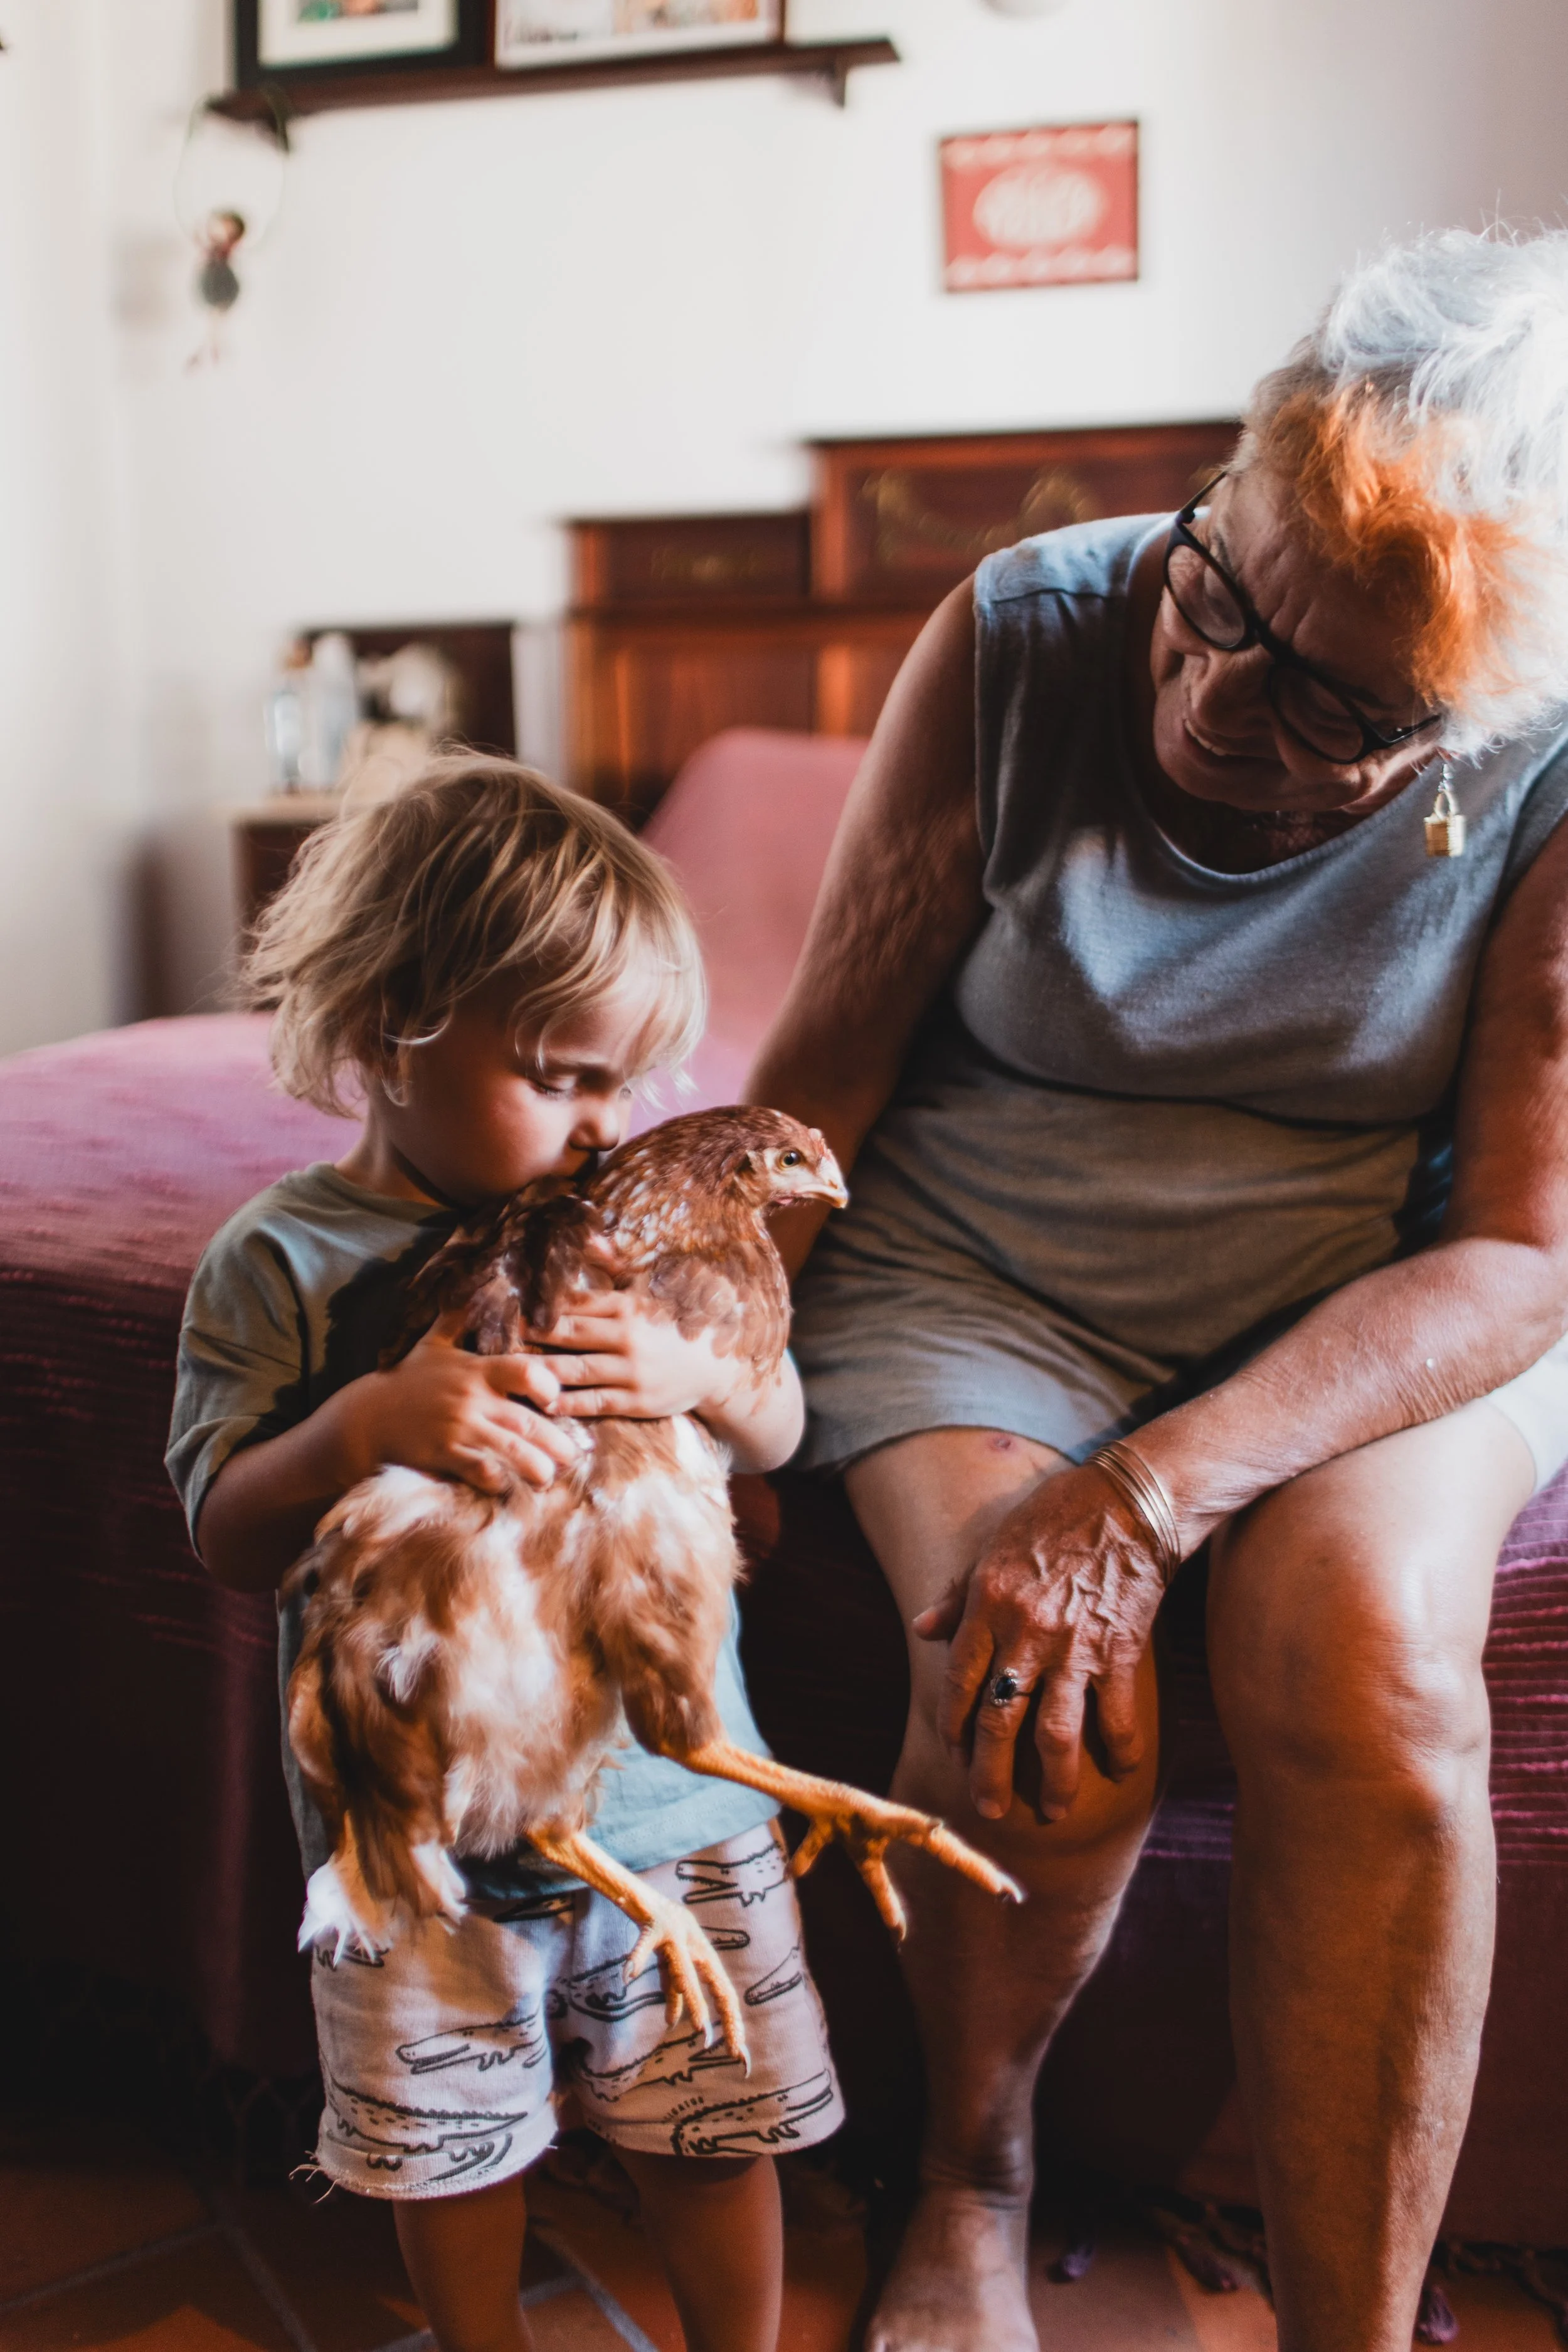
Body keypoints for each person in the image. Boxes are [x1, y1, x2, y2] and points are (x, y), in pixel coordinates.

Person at [750, 226, 1568, 2352]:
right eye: (1220, 594)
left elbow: (1517, 1247)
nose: (1216, 699)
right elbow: (824, 1073)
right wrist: (696, 1380)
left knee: (1374, 1669)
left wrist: (1155, 1490)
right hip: (984, 1265)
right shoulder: (1027, 625)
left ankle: (1353, 2329)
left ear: (1479, 715)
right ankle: (970, 2180)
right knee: (1043, 1711)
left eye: (1338, 705)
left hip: (1379, 1296)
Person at [167, 758, 844, 2352]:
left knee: (712, 2116)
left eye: (633, 1082)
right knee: (449, 2142)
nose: (606, 1127)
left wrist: (708, 1379)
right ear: (387, 1029)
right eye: (559, 1076)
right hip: (422, 1830)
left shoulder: (639, 1229)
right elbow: (223, 1531)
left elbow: (784, 1433)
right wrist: (360, 1430)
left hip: (680, 1801)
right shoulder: (273, 1264)